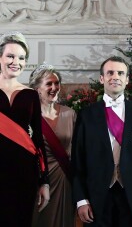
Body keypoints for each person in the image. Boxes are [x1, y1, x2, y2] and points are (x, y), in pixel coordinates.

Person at [72, 55, 132, 226]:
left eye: (120, 73)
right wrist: (81, 199)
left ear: (127, 80)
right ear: (102, 78)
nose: (115, 77)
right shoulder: (86, 115)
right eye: (110, 73)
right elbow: (77, 160)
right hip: (96, 196)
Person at [0, 31, 49, 227]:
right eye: (10, 56)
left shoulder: (30, 95)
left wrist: (44, 181)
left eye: (21, 58)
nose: (16, 62)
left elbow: (38, 140)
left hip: (24, 174)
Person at [29, 62, 77, 227]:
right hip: (39, 181)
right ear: (37, 89)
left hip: (65, 181)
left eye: (57, 83)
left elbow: (78, 151)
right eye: (48, 83)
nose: (54, 87)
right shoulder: (28, 116)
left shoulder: (69, 114)